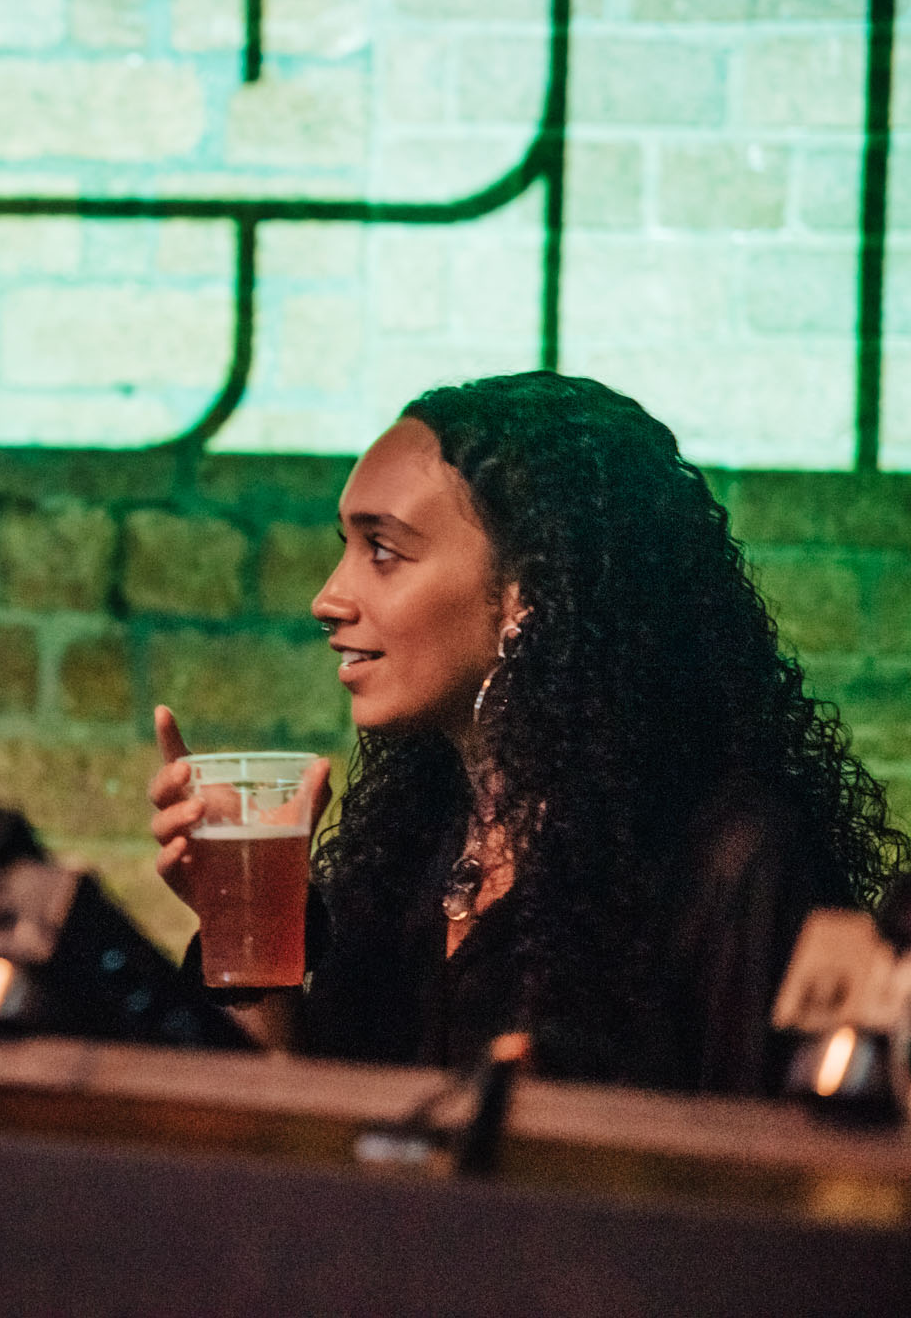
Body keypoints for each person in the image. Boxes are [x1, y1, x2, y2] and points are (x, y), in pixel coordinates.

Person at [150, 371, 908, 1093]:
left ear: (527, 593)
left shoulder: (731, 863)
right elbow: (296, 1148)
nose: (328, 597)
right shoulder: (409, 852)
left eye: (382, 550)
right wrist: (246, 926)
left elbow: (774, 1186)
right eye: (345, 546)